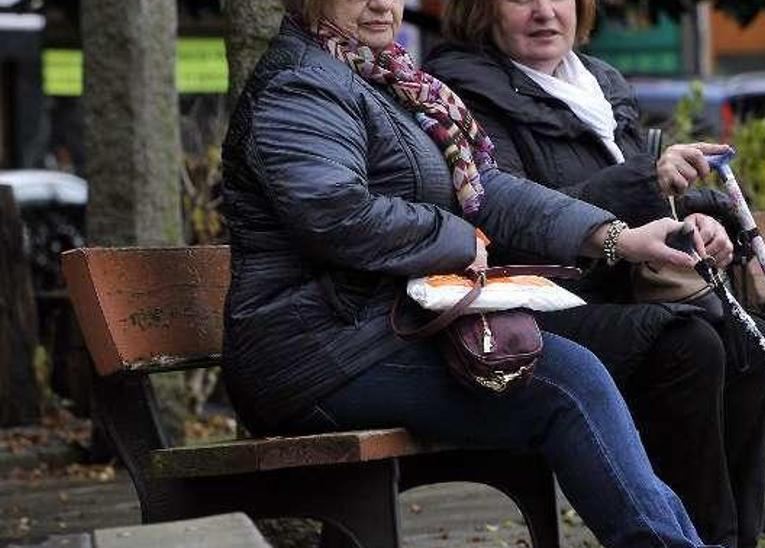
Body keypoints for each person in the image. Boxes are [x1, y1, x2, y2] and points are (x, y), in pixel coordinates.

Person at [219, 0, 719, 545]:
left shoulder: (386, 78)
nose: (383, 3)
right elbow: (333, 211)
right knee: (565, 381)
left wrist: (616, 237)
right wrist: (456, 239)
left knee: (574, 374)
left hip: (375, 332)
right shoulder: (303, 86)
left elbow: (486, 191)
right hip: (314, 356)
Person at [426, 2, 765, 546]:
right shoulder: (463, 93)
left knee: (751, 342)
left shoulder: (599, 83)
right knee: (686, 345)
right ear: (483, 10)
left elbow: (646, 203)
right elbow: (508, 217)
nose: (545, 12)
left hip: (622, 291)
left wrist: (700, 219)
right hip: (534, 305)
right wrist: (646, 180)